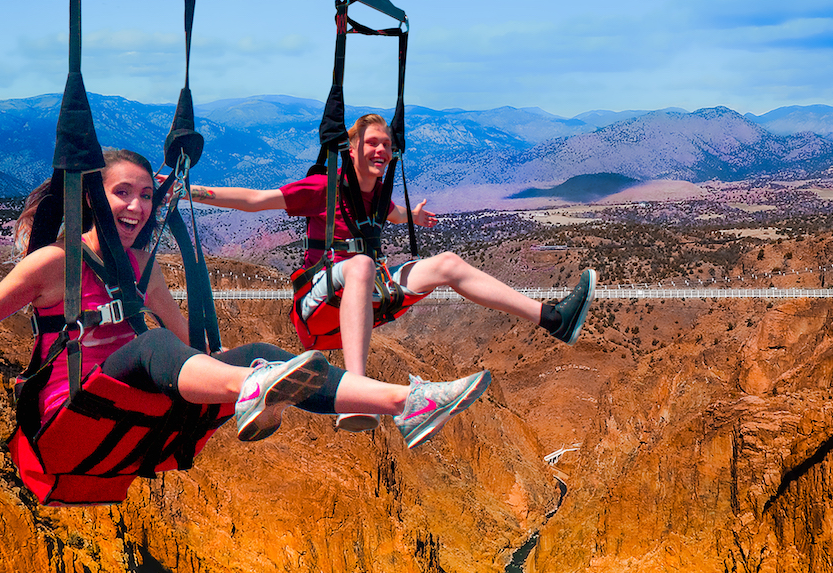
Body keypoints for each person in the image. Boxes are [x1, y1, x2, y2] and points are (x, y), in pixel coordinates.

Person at [0, 149, 492, 456]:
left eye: (144, 193)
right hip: (68, 408)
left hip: (137, 394)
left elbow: (188, 339)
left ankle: (408, 405)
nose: (135, 204)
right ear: (94, 197)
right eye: (119, 192)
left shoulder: (144, 264)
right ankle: (256, 390)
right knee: (154, 348)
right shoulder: (54, 262)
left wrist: (227, 370)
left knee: (266, 355)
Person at [187, 113, 597, 431]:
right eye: (372, 143)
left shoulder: (379, 193)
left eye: (386, 144)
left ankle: (553, 318)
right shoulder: (324, 188)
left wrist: (412, 217)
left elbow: (393, 215)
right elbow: (256, 200)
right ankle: (357, 392)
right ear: (351, 149)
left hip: (359, 294)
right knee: (362, 264)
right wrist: (190, 190)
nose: (380, 150)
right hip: (314, 305)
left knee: (448, 263)